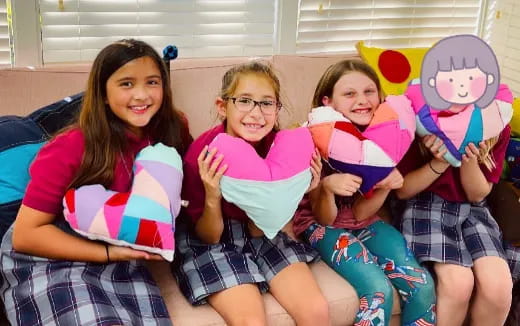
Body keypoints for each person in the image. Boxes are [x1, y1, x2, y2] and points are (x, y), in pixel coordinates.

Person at [0, 39, 191, 326]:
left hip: (121, 244)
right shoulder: (71, 146)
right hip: (50, 253)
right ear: (102, 92)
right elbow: (26, 235)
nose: (141, 95)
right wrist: (107, 253)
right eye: (126, 84)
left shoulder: (172, 130)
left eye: (152, 82)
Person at [173, 61, 330, 325]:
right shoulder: (200, 156)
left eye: (267, 103)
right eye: (244, 101)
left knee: (317, 311)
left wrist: (302, 189)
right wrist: (212, 195)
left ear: (277, 109)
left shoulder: (283, 150)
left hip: (265, 233)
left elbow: (266, 226)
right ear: (223, 107)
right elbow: (208, 236)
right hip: (213, 241)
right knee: (251, 321)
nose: (256, 113)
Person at [293, 59, 436, 326]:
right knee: (377, 291)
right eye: (349, 94)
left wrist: (383, 187)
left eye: (369, 92)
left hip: (365, 220)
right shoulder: (313, 138)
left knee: (423, 285)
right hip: (320, 223)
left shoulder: (385, 138)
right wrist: (326, 188)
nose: (362, 100)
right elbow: (323, 218)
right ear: (328, 102)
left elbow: (361, 212)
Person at [392, 35, 518, 326]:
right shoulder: (418, 119)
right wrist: (439, 161)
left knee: (499, 288)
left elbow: (477, 195)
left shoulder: (494, 123)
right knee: (458, 284)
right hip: (426, 205)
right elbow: (402, 191)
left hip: (473, 209)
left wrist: (467, 156)